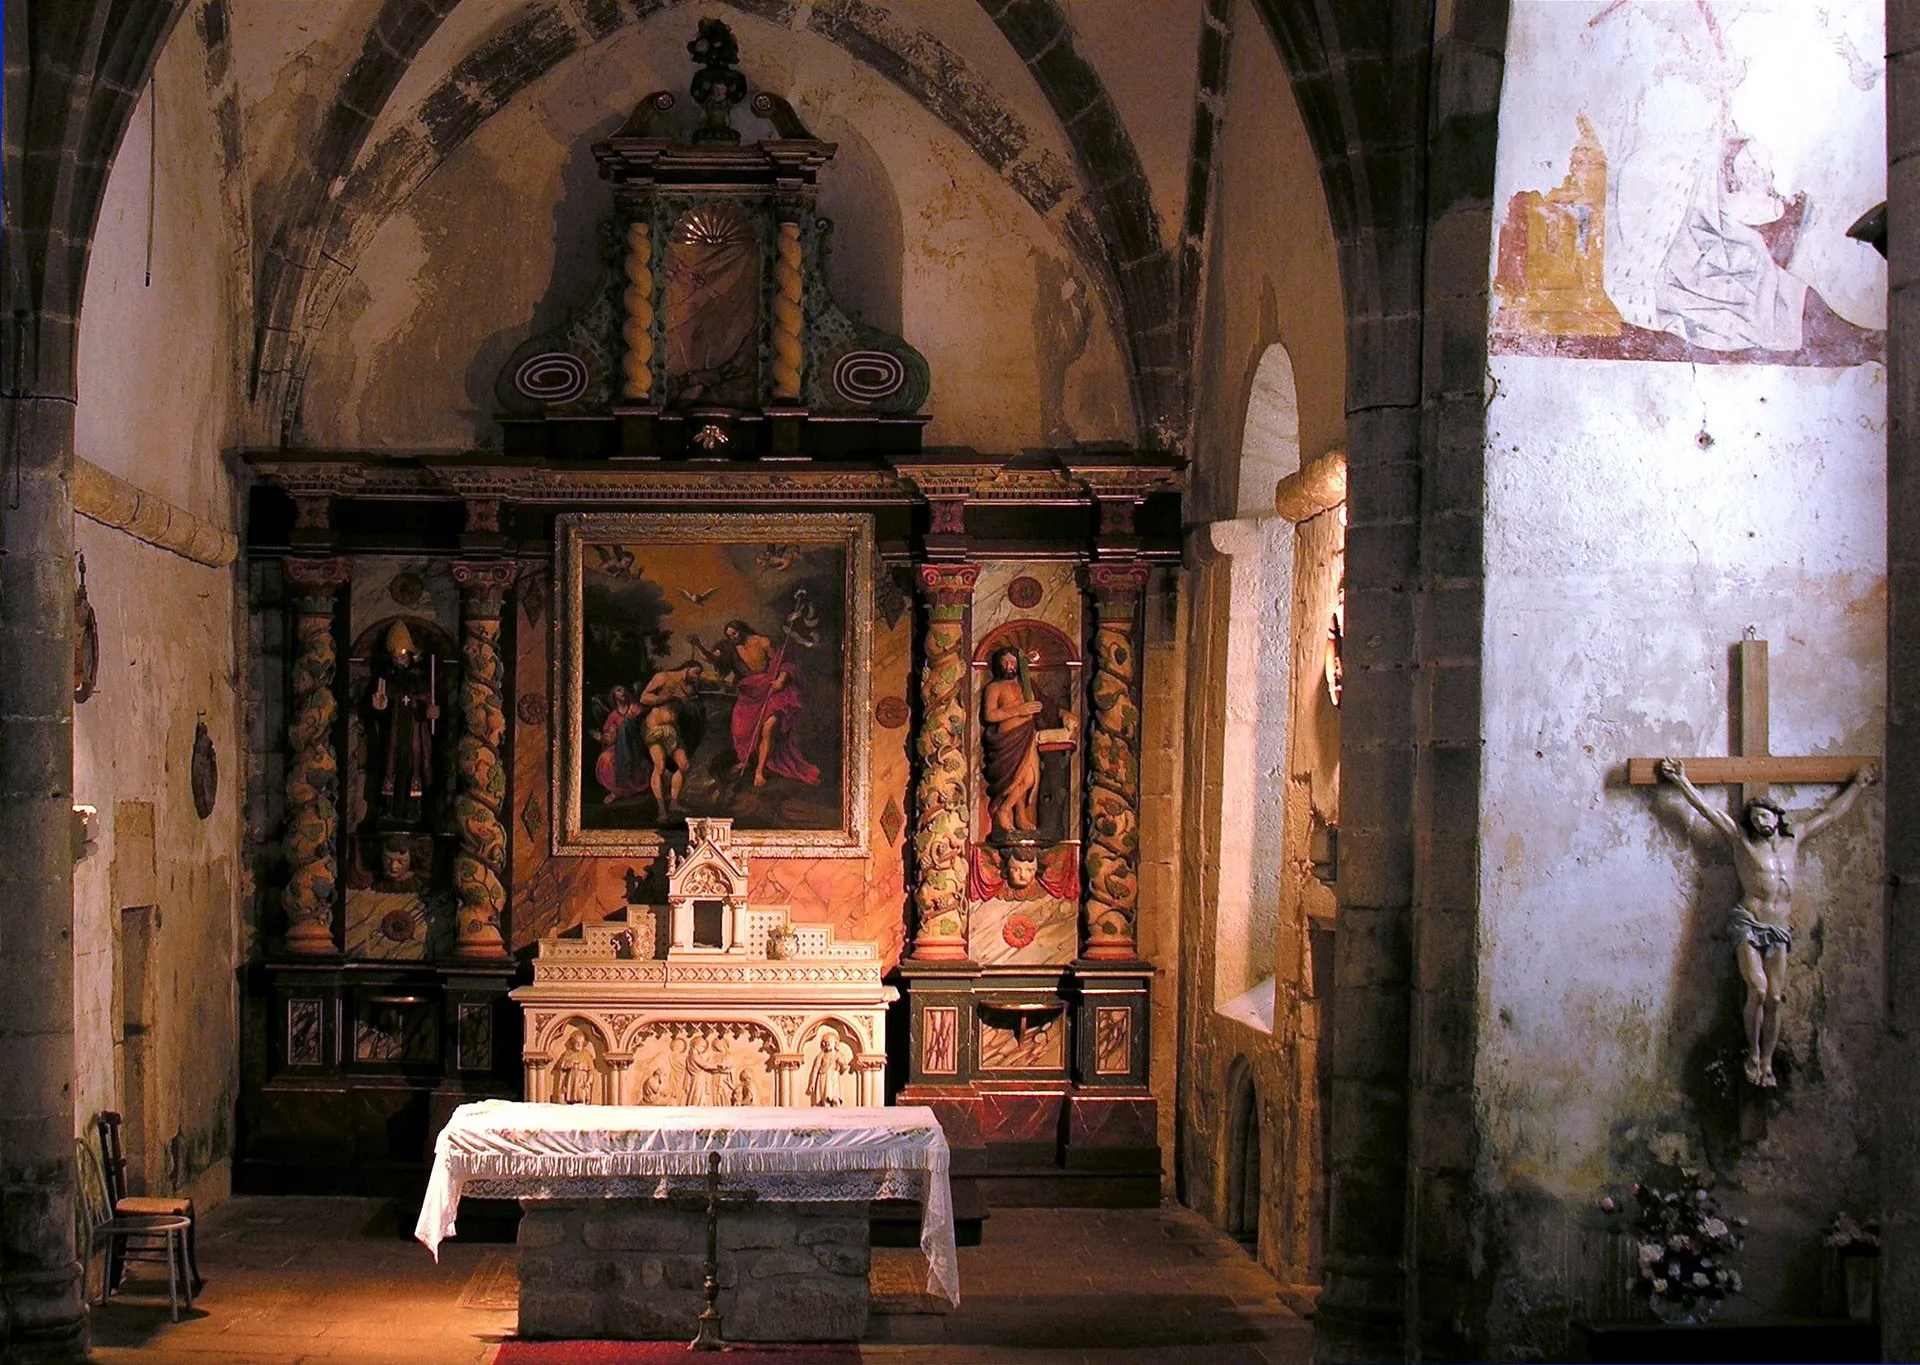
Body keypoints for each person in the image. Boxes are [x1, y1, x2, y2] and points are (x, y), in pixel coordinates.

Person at [1657, 757, 1876, 1087]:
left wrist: (1858, 785)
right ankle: (1753, 1054)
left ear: (1776, 818)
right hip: (1749, 921)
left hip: (1779, 928)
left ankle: (1767, 1060)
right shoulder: (1741, 841)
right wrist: (1681, 781)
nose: (1761, 820)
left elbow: (1830, 815)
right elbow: (1708, 811)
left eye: (1766, 815)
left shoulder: (1794, 840)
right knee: (1757, 988)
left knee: (1774, 997)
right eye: (1756, 817)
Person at [693, 618, 819, 788]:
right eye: (729, 636)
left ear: (742, 629)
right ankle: (746, 760)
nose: (732, 638)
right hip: (750, 694)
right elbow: (712, 659)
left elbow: (784, 662)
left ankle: (759, 772)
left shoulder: (762, 641)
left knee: (767, 730)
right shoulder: (730, 647)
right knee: (740, 731)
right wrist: (699, 645)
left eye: (734, 633)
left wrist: (780, 680)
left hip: (771, 691)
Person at [370, 620, 437, 824]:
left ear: (410, 655)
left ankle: (415, 809)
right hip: (393, 734)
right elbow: (375, 711)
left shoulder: (420, 680)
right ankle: (387, 808)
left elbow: (429, 703)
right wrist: (379, 709)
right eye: (396, 656)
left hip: (415, 733)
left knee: (415, 768)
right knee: (389, 767)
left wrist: (431, 712)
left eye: (403, 655)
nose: (400, 659)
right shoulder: (385, 680)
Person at [981, 646, 1044, 836]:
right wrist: (1019, 711)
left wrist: (1063, 714)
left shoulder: (1026, 686)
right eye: (1005, 662)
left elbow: (1045, 705)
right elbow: (990, 715)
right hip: (1008, 737)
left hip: (1027, 734)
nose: (1009, 666)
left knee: (1029, 778)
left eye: (1013, 663)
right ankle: (1009, 811)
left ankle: (1014, 811)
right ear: (999, 665)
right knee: (1015, 777)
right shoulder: (994, 687)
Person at [636, 661, 706, 814]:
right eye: (695, 672)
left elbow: (689, 708)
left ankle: (674, 803)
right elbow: (643, 698)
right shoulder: (663, 677)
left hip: (673, 731)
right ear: (687, 668)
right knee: (660, 767)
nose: (696, 677)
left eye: (699, 674)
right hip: (655, 728)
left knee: (684, 765)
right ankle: (662, 810)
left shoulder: (688, 688)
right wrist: (665, 698)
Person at [593, 685, 647, 803]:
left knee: (626, 725)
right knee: (606, 758)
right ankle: (618, 791)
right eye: (619, 690)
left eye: (624, 689)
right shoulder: (613, 715)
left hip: (635, 744)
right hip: (620, 745)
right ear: (614, 696)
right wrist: (601, 738)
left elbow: (644, 727)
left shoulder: (635, 708)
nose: (623, 692)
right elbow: (611, 737)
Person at [806, 1028, 849, 1108]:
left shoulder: (838, 1054)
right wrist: (812, 1083)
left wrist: (843, 1065)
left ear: (835, 1043)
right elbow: (815, 1069)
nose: (828, 1044)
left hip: (834, 1078)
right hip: (823, 1077)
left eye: (831, 1042)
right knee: (825, 1100)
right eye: (826, 1042)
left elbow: (843, 1067)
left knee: (835, 1098)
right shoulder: (821, 1055)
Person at [554, 1028, 596, 1104]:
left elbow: (591, 1070)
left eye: (581, 1043)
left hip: (582, 1080)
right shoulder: (567, 1053)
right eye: (577, 1043)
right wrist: (570, 1063)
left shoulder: (586, 1055)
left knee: (581, 1096)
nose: (579, 1045)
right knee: (570, 1098)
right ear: (573, 1043)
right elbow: (559, 1066)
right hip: (570, 1080)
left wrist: (589, 1081)